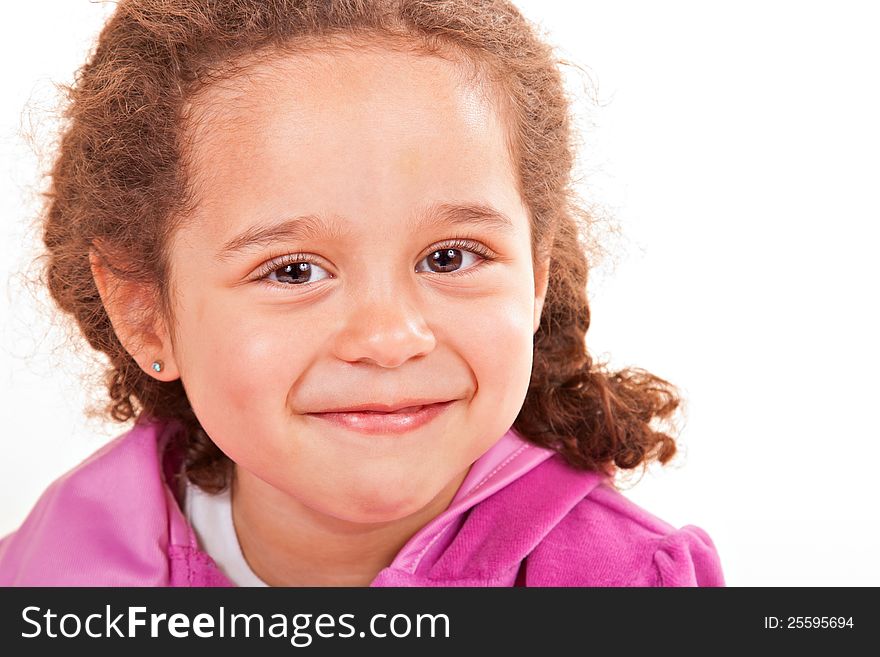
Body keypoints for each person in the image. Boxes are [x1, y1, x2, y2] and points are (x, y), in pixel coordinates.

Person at [0, 0, 724, 587]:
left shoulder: (627, 585)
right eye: (293, 271)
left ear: (536, 275)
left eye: (449, 256)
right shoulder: (59, 571)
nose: (388, 336)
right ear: (144, 312)